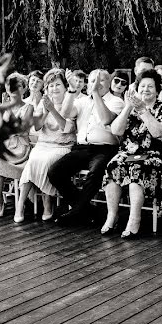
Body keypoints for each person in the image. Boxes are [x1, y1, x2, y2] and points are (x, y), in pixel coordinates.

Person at [101, 70, 162, 238]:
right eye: (142, 86)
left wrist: (143, 110)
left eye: (150, 86)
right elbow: (116, 130)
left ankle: (134, 219)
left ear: (157, 90)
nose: (146, 89)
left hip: (157, 156)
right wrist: (128, 106)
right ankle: (112, 215)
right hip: (129, 154)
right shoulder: (131, 108)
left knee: (137, 170)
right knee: (114, 165)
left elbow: (157, 133)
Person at [48, 69, 124, 225]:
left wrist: (95, 94)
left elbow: (105, 119)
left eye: (101, 80)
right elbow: (65, 113)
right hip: (82, 148)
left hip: (104, 149)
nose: (96, 84)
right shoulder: (82, 101)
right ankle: (90, 211)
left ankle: (75, 213)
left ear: (109, 83)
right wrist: (71, 90)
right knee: (54, 172)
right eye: (93, 81)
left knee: (95, 174)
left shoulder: (116, 101)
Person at [14, 68, 75, 222]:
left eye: (57, 85)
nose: (54, 88)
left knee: (46, 162)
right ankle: (20, 205)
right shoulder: (43, 102)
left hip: (61, 146)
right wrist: (46, 110)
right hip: (43, 145)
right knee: (32, 162)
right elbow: (37, 127)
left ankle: (48, 203)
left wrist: (52, 109)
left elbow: (66, 129)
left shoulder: (71, 104)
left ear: (65, 87)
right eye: (50, 85)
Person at [0, 72, 33, 218]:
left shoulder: (28, 107)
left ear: (23, 88)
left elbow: (22, 131)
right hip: (5, 144)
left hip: (20, 148)